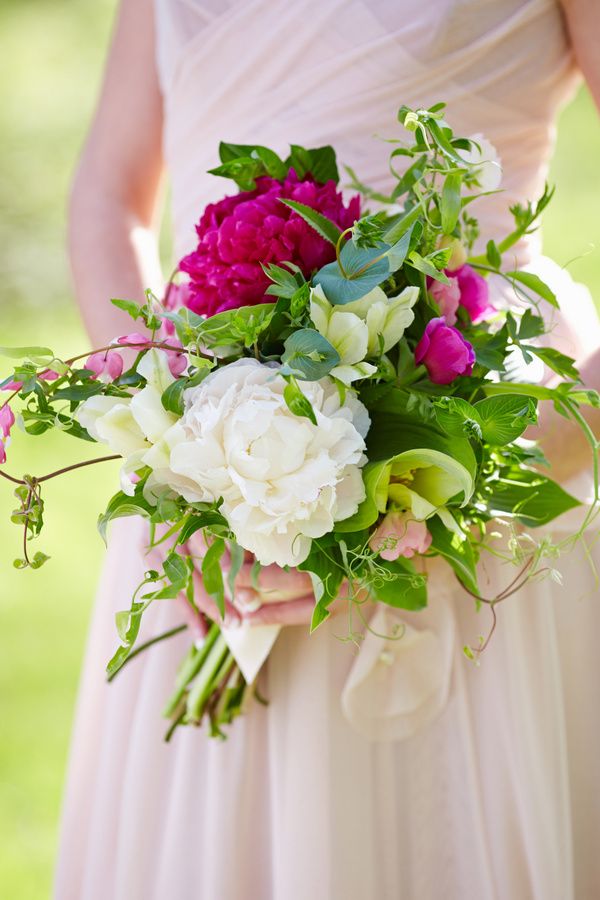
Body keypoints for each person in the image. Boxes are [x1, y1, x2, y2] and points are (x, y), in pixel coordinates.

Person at [55, 1, 600, 898]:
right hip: (208, 445)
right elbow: (110, 194)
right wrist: (171, 444)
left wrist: (428, 506)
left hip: (471, 425)